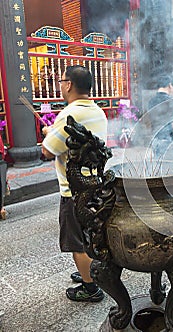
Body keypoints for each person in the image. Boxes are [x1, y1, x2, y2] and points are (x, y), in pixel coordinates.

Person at [42, 65, 107, 302]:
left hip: (73, 191)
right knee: (91, 235)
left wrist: (49, 131)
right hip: (95, 187)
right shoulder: (98, 112)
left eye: (61, 81)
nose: (60, 85)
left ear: (68, 84)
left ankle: (90, 289)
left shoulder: (69, 115)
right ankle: (91, 273)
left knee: (77, 242)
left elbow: (48, 150)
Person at [146, 75, 173, 158]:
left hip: (155, 139)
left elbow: (149, 121)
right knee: (168, 167)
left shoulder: (151, 101)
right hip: (168, 140)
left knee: (157, 167)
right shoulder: (171, 101)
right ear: (169, 85)